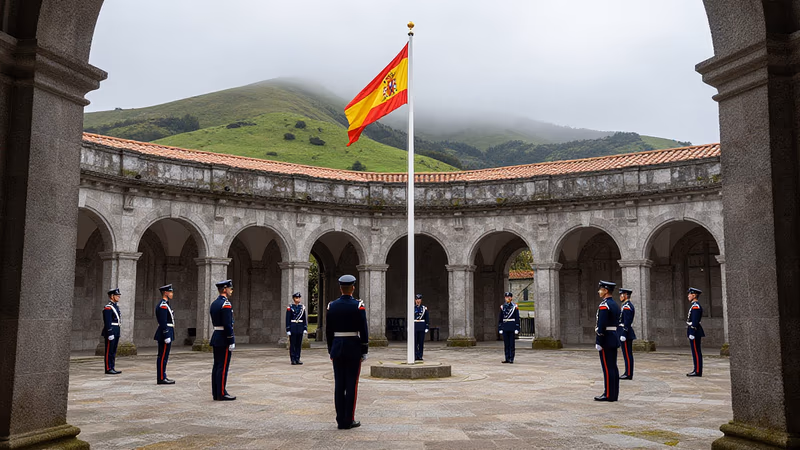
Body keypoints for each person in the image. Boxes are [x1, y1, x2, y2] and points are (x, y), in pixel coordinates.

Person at [325, 274, 369, 430]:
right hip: (353, 347)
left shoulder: (332, 306)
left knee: (339, 384)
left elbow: (329, 331)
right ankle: (349, 419)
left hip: (337, 347)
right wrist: (364, 349)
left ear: (340, 288)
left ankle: (340, 420)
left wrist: (331, 350)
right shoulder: (358, 306)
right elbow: (363, 330)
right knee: (351, 385)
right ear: (353, 288)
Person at [210, 279, 236, 400]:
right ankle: (221, 393)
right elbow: (227, 324)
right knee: (223, 366)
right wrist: (231, 340)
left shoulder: (215, 303)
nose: (231, 290)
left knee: (217, 365)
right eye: (230, 288)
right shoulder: (226, 304)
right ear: (225, 289)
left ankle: (216, 392)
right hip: (224, 338)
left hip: (217, 336)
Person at [594, 281, 621, 401]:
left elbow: (602, 325)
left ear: (605, 291)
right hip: (613, 336)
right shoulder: (615, 304)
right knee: (613, 367)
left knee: (607, 367)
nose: (599, 291)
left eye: (600, 289)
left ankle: (608, 394)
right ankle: (614, 394)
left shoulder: (604, 305)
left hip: (606, 338)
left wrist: (599, 341)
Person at [154, 284, 175, 385]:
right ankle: (161, 378)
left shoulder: (165, 304)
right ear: (166, 293)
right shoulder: (162, 305)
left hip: (166, 332)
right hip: (164, 333)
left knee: (164, 356)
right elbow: (163, 322)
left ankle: (163, 376)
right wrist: (166, 335)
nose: (172, 294)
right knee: (162, 356)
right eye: (170, 292)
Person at [101, 288, 122, 375]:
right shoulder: (108, 307)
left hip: (116, 330)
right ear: (112, 296)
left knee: (113, 350)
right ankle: (108, 368)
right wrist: (109, 332)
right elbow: (107, 322)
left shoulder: (115, 306)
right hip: (111, 331)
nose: (118, 297)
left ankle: (112, 366)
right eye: (117, 296)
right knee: (109, 351)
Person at [618, 288, 636, 380]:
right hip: (625, 332)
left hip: (626, 333)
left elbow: (627, 322)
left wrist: (624, 333)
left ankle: (628, 373)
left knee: (627, 354)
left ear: (625, 296)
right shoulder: (625, 305)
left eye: (621, 295)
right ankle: (627, 372)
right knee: (626, 354)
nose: (620, 297)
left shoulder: (627, 307)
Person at [686, 287, 705, 377]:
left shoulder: (696, 306)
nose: (688, 296)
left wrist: (692, 332)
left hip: (695, 331)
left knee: (696, 352)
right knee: (695, 352)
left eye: (690, 294)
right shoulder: (694, 305)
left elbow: (695, 321)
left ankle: (697, 371)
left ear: (694, 295)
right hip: (694, 331)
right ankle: (696, 369)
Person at [286, 291, 308, 365]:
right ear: (294, 299)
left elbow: (304, 319)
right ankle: (293, 359)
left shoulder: (302, 308)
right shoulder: (290, 307)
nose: (298, 299)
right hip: (293, 327)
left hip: (300, 327)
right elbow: (288, 319)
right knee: (293, 344)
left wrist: (305, 328)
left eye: (299, 298)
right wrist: (288, 329)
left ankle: (297, 358)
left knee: (299, 344)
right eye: (296, 298)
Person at [498, 292, 520, 364]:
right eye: (506, 297)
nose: (507, 298)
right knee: (506, 344)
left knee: (511, 344)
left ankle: (511, 358)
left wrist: (517, 328)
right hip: (505, 327)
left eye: (509, 297)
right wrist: (500, 328)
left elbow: (517, 318)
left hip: (512, 327)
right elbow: (500, 319)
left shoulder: (515, 307)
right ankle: (507, 358)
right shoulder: (502, 307)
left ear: (511, 298)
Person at [413, 293, 429, 361]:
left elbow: (427, 318)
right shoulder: (412, 308)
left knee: (421, 342)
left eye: (419, 299)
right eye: (416, 299)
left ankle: (420, 355)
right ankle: (415, 355)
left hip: (421, 326)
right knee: (415, 342)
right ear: (415, 300)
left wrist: (426, 327)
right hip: (415, 326)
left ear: (421, 300)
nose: (418, 301)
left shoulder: (424, 308)